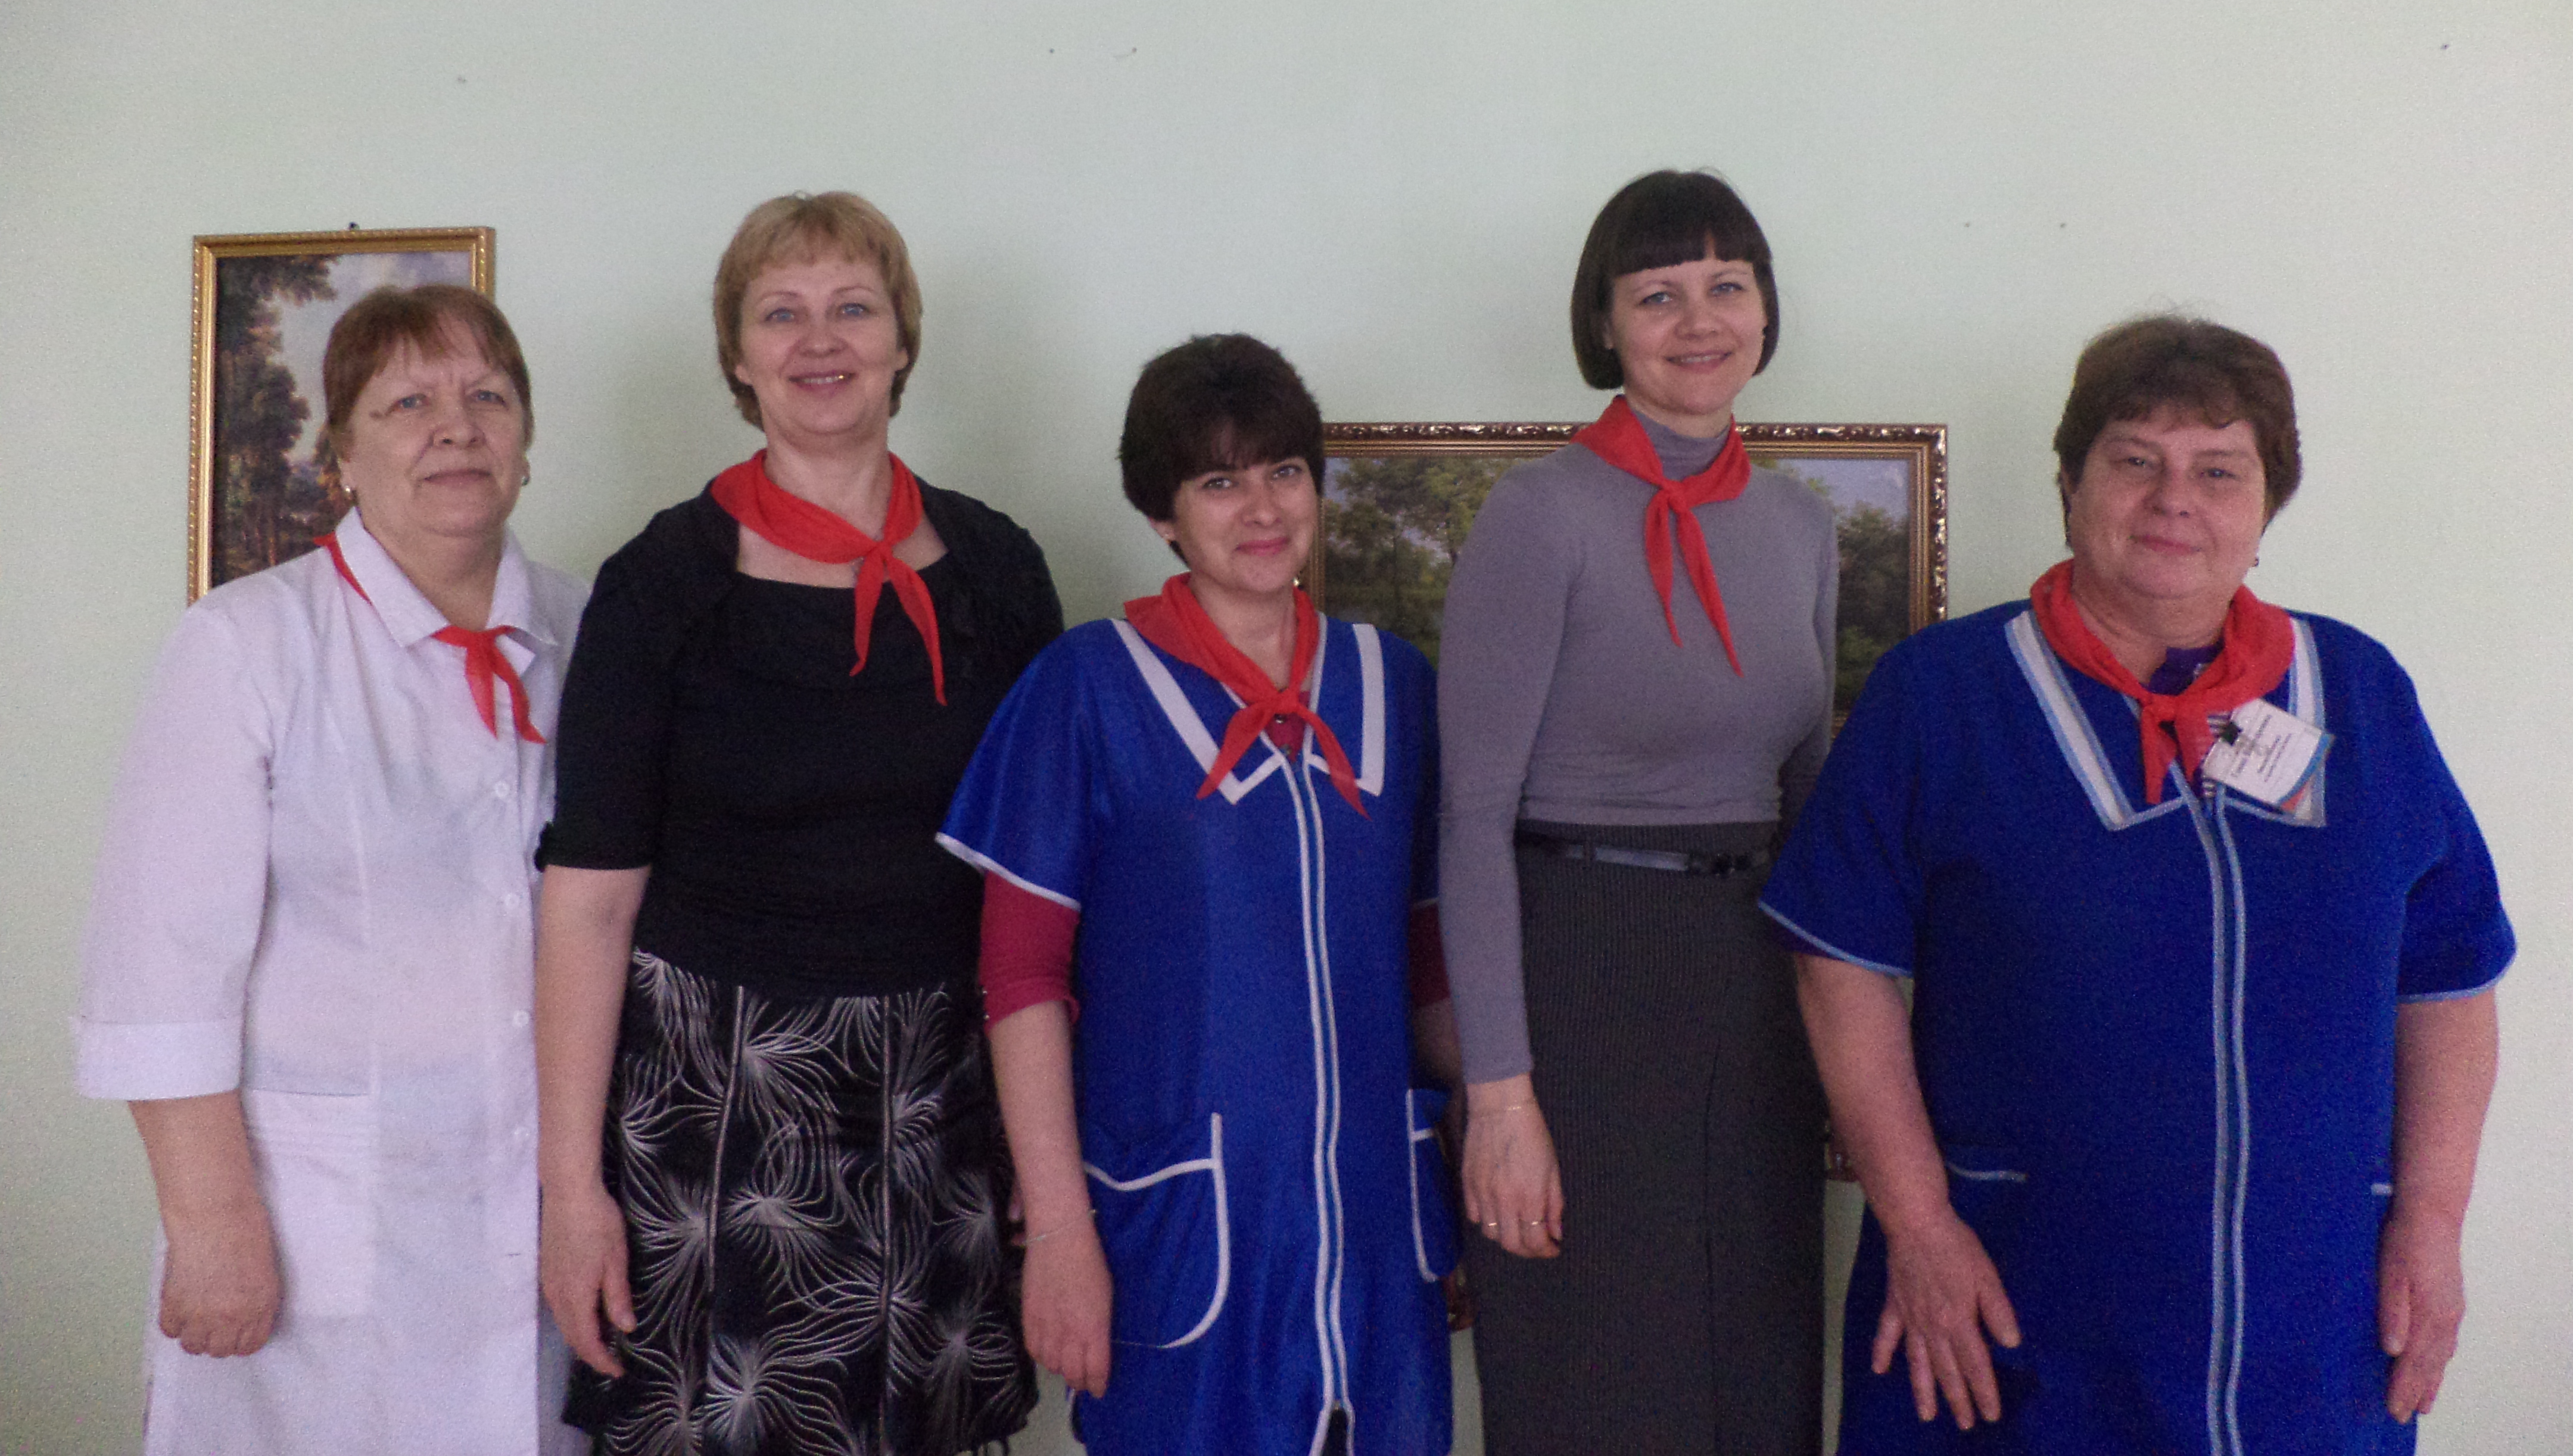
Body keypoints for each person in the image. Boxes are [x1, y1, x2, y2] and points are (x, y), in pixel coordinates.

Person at [1762, 316, 2514, 1454]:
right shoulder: (1943, 695)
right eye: (2135, 460)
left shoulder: (2359, 692)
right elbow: (1841, 965)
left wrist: (2433, 1224)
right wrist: (1918, 1226)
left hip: (2312, 1307)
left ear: (2266, 508)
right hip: (2015, 1297)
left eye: (2219, 471)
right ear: (2071, 485)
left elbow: (2448, 979)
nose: (2175, 500)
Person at [534, 192, 1060, 1455]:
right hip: (714, 1112)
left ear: (901, 341)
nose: (819, 341)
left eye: (852, 307)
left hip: (945, 1103)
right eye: (781, 313)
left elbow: (1046, 890)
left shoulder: (999, 570)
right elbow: (589, 904)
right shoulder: (662, 585)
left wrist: (1051, 1156)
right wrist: (570, 1192)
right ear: (737, 355)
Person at [73, 284, 587, 1456]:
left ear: (525, 443)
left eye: (487, 397)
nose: (455, 428)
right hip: (317, 1235)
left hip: (536, 1223)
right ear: (342, 457)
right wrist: (211, 1225)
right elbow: (160, 973)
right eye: (408, 403)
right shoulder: (247, 643)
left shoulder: (593, 631)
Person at [938, 333, 1457, 1456]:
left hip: (1380, 1240)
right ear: (1162, 513)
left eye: (1285, 471)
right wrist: (1059, 1233)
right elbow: (1020, 979)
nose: (1262, 509)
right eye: (1219, 481)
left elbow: (1429, 969)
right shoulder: (1088, 686)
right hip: (1188, 1235)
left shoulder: (1397, 686)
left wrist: (1500, 1130)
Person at [1438, 168, 1838, 1455]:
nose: (1699, 319)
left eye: (1728, 285)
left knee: (1756, 1363)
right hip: (1582, 976)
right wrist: (1502, 1100)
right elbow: (1471, 823)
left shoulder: (1801, 526)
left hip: (1754, 984)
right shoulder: (1538, 515)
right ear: (1605, 325)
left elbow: (1809, 802)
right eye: (1658, 294)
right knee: (1605, 1374)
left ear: (1765, 310)